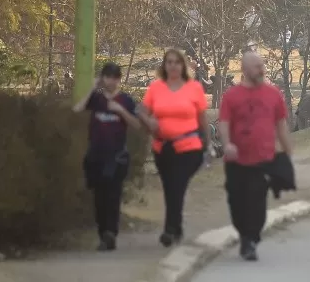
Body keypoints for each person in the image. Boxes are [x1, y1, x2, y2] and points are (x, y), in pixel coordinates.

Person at [217, 51, 294, 262]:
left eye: (262, 66)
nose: (262, 70)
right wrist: (227, 144)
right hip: (236, 160)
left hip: (263, 158)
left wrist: (287, 152)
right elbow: (224, 123)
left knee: (257, 200)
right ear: (244, 70)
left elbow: (281, 125)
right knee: (236, 200)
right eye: (257, 66)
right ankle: (245, 234)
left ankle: (250, 239)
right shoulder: (231, 96)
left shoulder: (273, 94)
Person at [139, 48, 209, 247]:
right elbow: (142, 111)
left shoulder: (194, 88)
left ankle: (169, 230)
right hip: (163, 148)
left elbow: (202, 118)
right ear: (164, 65)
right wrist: (149, 122)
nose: (173, 66)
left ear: (183, 65)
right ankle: (176, 227)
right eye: (169, 62)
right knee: (170, 187)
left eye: (177, 62)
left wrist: (207, 143)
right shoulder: (156, 88)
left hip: (189, 147)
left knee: (177, 185)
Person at [74, 62, 141, 251]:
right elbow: (77, 110)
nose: (111, 81)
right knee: (99, 197)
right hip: (96, 155)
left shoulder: (125, 100)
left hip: (117, 157)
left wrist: (120, 111)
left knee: (113, 195)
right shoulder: (97, 99)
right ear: (103, 79)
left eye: (114, 77)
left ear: (119, 79)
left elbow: (136, 124)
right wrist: (92, 89)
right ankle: (103, 232)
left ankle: (111, 233)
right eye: (107, 77)